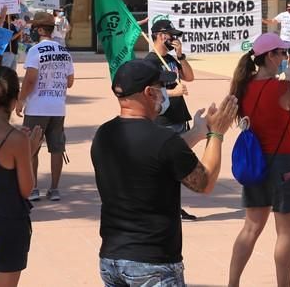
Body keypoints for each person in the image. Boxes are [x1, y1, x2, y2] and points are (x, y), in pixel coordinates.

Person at [90, 59, 237, 287]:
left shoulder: (104, 134)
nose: (164, 93)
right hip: (152, 263)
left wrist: (199, 131)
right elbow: (204, 183)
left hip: (112, 259)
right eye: (161, 87)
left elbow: (157, 157)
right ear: (149, 92)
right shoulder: (162, 139)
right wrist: (216, 134)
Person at [228, 32, 290, 287]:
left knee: (251, 228)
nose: (287, 57)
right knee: (286, 233)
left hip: (255, 164)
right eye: (282, 53)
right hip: (284, 162)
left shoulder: (242, 87)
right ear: (269, 57)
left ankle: (232, 283)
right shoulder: (283, 89)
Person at [0, 66, 43, 287]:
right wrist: (30, 150)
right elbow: (26, 188)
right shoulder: (16, 140)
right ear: (14, 101)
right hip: (7, 223)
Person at [16, 11, 74, 202]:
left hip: (37, 107)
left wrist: (20, 100)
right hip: (58, 108)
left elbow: (30, 79)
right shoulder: (64, 51)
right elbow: (70, 81)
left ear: (40, 29)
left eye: (34, 28)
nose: (32, 31)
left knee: (32, 148)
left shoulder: (35, 51)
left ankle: (33, 188)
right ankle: (54, 189)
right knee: (57, 149)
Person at [145, 19, 197, 220]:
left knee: (178, 167)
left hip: (179, 118)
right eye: (170, 35)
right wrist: (173, 93)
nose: (174, 38)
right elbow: (149, 91)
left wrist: (181, 56)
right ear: (160, 35)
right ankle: (159, 207)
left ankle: (175, 206)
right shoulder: (150, 62)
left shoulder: (172, 60)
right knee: (163, 167)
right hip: (163, 121)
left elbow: (190, 77)